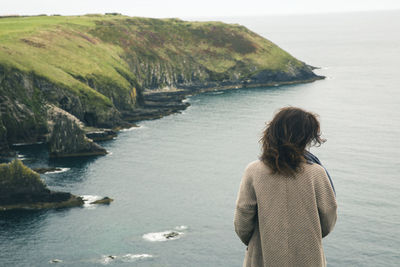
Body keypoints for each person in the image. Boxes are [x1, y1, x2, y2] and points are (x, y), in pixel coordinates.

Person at [234, 107, 337, 267]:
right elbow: (328, 217)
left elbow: (243, 220)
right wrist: (308, 237)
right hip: (308, 257)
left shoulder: (254, 171)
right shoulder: (316, 173)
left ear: (273, 132)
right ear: (305, 137)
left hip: (263, 257)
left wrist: (260, 241)